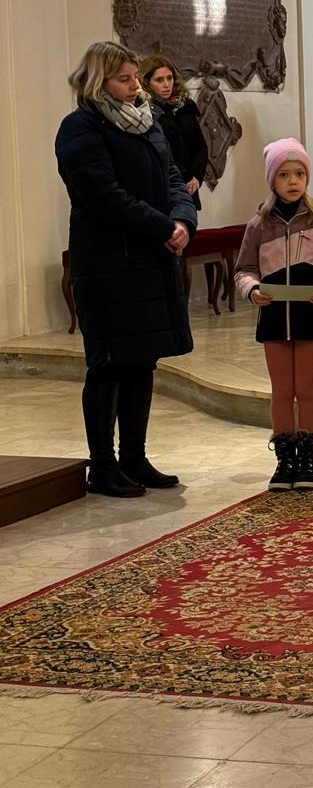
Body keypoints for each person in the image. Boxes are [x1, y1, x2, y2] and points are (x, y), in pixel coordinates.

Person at [55, 40, 196, 497]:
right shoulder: (80, 129)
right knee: (109, 363)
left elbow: (173, 177)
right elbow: (103, 195)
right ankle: (103, 465)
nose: (136, 86)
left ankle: (135, 457)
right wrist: (162, 227)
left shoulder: (147, 121)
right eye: (125, 79)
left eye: (136, 77)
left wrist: (182, 221)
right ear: (98, 82)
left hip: (150, 257)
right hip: (108, 262)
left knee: (142, 359)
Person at [234, 139, 313, 493]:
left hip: (310, 317)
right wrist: (253, 290)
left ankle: (308, 458)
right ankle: (285, 459)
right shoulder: (258, 225)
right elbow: (244, 270)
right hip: (273, 320)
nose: (293, 181)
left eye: (299, 173)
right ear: (272, 179)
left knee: (306, 389)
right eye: (284, 175)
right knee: (282, 390)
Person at [140, 55, 208, 212]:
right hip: (163, 185)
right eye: (159, 80)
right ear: (147, 82)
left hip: (190, 185)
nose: (166, 84)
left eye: (169, 78)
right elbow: (157, 151)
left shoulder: (185, 106)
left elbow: (200, 146)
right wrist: (185, 176)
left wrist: (196, 177)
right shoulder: (145, 111)